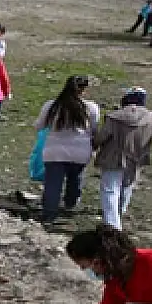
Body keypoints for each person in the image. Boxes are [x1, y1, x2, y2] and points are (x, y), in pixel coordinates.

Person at [92, 87, 152, 230]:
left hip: (112, 158)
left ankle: (113, 226)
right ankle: (119, 213)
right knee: (127, 187)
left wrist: (94, 146)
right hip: (137, 159)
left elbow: (102, 136)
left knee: (110, 190)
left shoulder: (114, 117)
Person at [35, 76, 100, 224]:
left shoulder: (52, 105)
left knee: (53, 183)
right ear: (84, 90)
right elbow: (94, 130)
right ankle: (70, 203)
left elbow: (39, 125)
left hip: (54, 150)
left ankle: (49, 213)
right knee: (75, 179)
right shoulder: (91, 107)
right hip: (80, 152)